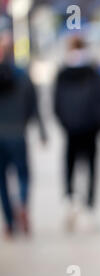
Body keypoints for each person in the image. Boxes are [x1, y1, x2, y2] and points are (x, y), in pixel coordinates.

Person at [54, 35, 100, 232]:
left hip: (71, 130)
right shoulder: (93, 72)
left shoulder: (62, 73)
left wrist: (65, 122)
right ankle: (88, 207)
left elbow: (56, 103)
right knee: (91, 168)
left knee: (70, 166)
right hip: (91, 130)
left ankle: (70, 200)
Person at [0, 27, 48, 240]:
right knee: (23, 175)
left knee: (2, 180)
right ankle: (23, 205)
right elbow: (35, 105)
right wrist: (41, 131)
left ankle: (10, 223)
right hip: (19, 133)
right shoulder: (23, 75)